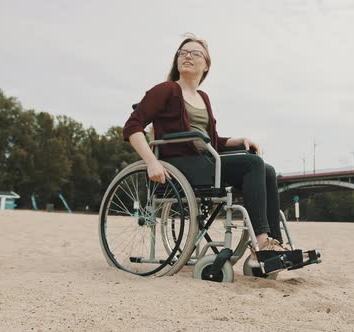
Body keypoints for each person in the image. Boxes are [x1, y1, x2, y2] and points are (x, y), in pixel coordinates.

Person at [123, 34, 286, 251]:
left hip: (205, 161)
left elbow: (211, 140)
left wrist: (239, 140)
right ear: (177, 59)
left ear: (206, 65)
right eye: (183, 52)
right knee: (252, 164)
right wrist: (152, 162)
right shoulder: (166, 89)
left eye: (195, 53)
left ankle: (275, 245)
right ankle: (263, 243)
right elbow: (132, 126)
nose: (187, 56)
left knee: (267, 170)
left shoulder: (203, 97)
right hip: (179, 164)